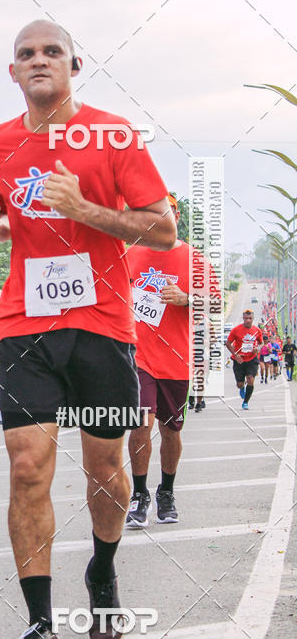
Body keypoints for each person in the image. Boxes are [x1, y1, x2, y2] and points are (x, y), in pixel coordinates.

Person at [0, 19, 175, 639]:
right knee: (27, 466)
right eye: (25, 54)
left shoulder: (112, 135)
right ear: (13, 73)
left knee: (104, 467)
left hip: (105, 324)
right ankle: (39, 627)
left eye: (50, 52)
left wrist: (87, 210)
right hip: (26, 322)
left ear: (74, 65)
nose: (38, 61)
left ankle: (104, 572)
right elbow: (5, 217)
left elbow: (163, 229)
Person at [125, 194, 220, 527]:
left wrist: (186, 299)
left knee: (170, 431)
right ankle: (139, 495)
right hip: (137, 357)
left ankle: (166, 491)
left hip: (176, 360)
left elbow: (216, 304)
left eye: (162, 211)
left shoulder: (195, 260)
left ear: (175, 215)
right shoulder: (130, 253)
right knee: (139, 422)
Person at [225, 310, 263, 410]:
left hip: (251, 360)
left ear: (253, 319)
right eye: (246, 318)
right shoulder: (236, 330)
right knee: (240, 384)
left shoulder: (257, 330)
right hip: (239, 360)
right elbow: (228, 343)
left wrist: (257, 349)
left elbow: (261, 343)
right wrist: (235, 354)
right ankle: (242, 387)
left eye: (250, 318)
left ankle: (245, 402)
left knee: (250, 379)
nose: (248, 320)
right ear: (243, 318)